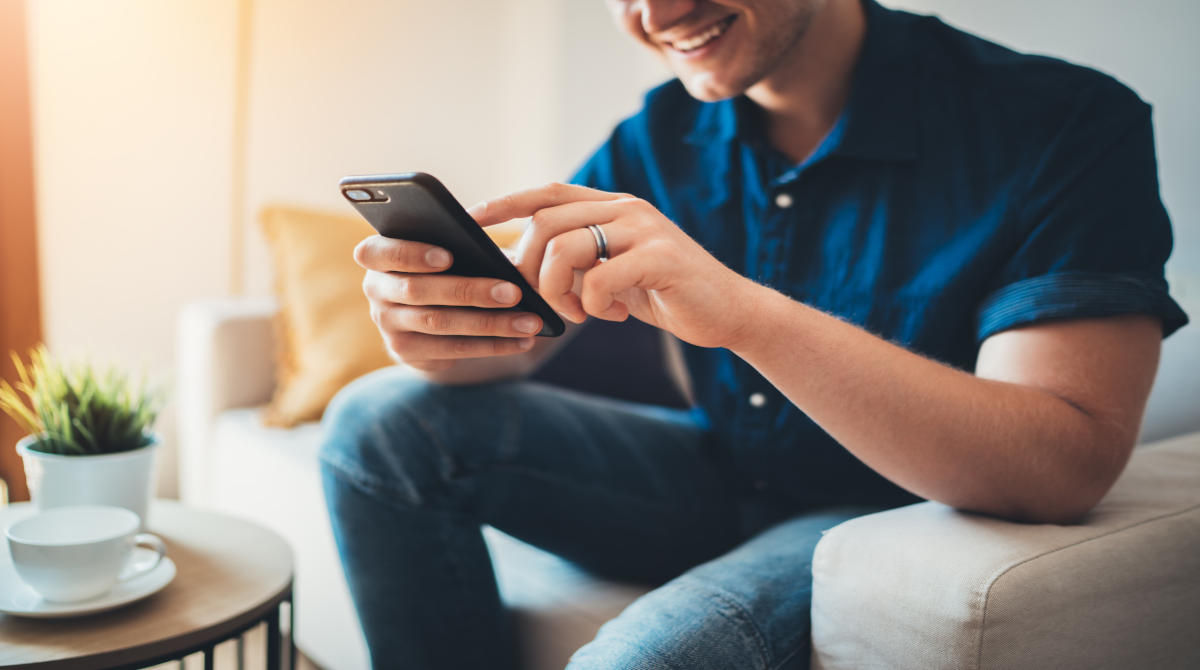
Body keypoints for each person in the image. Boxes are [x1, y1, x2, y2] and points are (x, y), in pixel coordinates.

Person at [318, 0, 1189, 668]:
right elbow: (525, 338)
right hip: (720, 471)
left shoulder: (1064, 123)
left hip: (896, 518)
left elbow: (1064, 463)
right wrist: (434, 334)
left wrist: (739, 310)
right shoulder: (659, 132)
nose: (653, 18)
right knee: (378, 424)